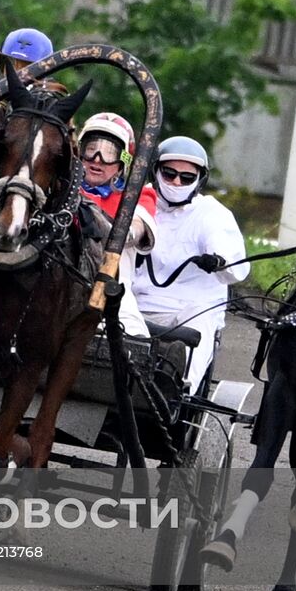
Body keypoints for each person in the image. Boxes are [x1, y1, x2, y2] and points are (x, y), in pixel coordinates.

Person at [133, 135, 249, 394]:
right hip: (135, 305)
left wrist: (219, 260)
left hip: (185, 310)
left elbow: (237, 268)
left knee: (201, 316)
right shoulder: (139, 203)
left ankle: (177, 389)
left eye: (186, 178)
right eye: (169, 173)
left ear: (200, 180)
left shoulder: (211, 213)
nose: (176, 182)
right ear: (155, 171)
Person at [76, 112, 157, 338]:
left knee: (134, 338)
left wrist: (122, 230)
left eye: (109, 152)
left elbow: (140, 225)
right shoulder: (61, 188)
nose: (98, 159)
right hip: (57, 281)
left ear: (123, 162)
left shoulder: (138, 194)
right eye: (91, 149)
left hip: (113, 286)